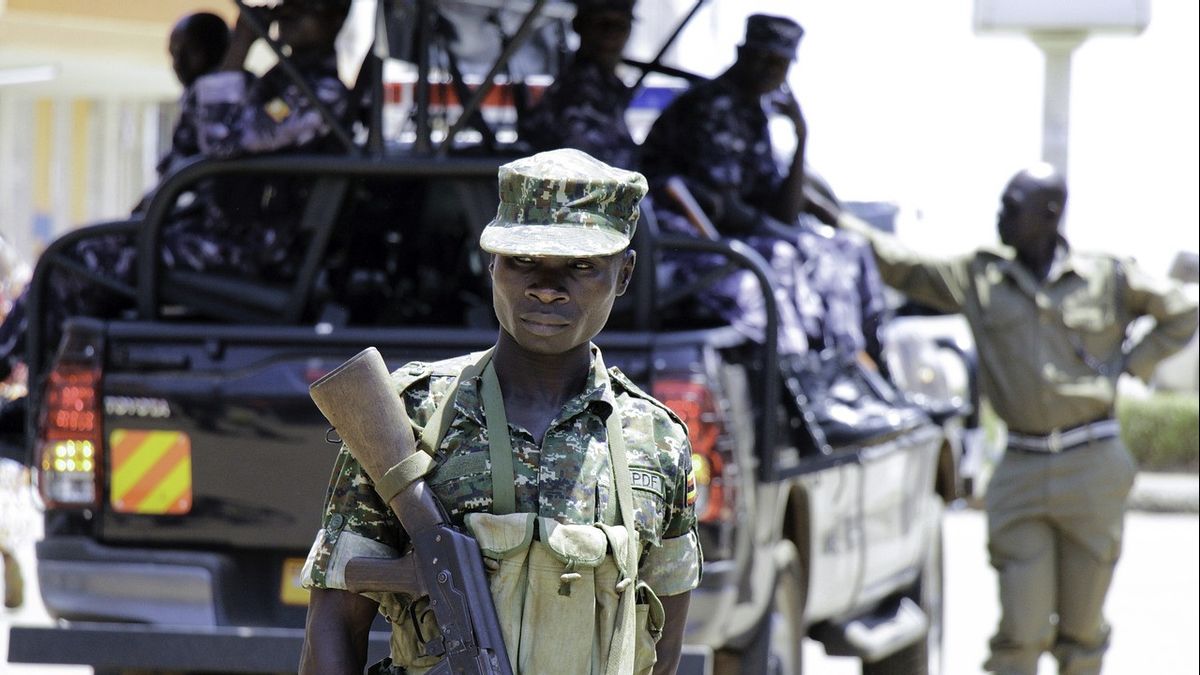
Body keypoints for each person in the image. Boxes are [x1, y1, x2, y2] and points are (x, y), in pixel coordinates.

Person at [298, 148, 700, 675]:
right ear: (492, 264)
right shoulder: (415, 414)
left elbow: (662, 650)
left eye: (581, 267)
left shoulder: (657, 439)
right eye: (523, 261)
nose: (546, 288)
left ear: (623, 274)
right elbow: (334, 619)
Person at [816, 163, 1200, 675]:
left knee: (1082, 635)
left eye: (1012, 207)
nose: (1001, 215)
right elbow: (902, 266)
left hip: (1093, 465)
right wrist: (837, 218)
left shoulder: (1107, 275)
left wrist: (1134, 363)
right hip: (1021, 468)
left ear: (1049, 213)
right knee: (1021, 633)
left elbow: (1182, 310)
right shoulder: (980, 275)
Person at [0, 0, 353, 393]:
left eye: (301, 8)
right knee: (73, 256)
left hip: (252, 250)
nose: (285, 13)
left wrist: (239, 45)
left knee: (79, 262)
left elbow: (223, 141)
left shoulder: (320, 93)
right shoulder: (286, 81)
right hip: (229, 237)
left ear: (334, 17)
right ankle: (24, 373)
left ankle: (18, 372)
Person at [639, 14, 909, 447]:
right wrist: (786, 234)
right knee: (790, 255)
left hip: (724, 235)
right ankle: (814, 402)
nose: (768, 71)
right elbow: (727, 210)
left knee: (849, 248)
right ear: (741, 55)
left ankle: (868, 381)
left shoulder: (754, 113)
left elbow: (781, 208)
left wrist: (801, 136)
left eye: (778, 63)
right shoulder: (714, 107)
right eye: (760, 59)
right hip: (685, 242)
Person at [518, 0, 638, 169]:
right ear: (580, 26)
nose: (611, 35)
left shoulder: (606, 84)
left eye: (620, 25)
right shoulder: (578, 88)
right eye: (602, 25)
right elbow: (586, 167)